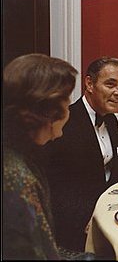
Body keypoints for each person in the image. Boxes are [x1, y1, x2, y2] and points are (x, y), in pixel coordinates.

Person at [44, 56, 118, 252]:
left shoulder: (112, 122)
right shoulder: (64, 122)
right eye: (111, 84)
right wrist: (89, 216)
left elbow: (112, 174)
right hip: (73, 227)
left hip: (107, 214)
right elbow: (55, 187)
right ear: (89, 83)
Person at [3, 54, 78, 259]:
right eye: (67, 99)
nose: (70, 107)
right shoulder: (17, 176)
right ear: (49, 110)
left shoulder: (22, 154)